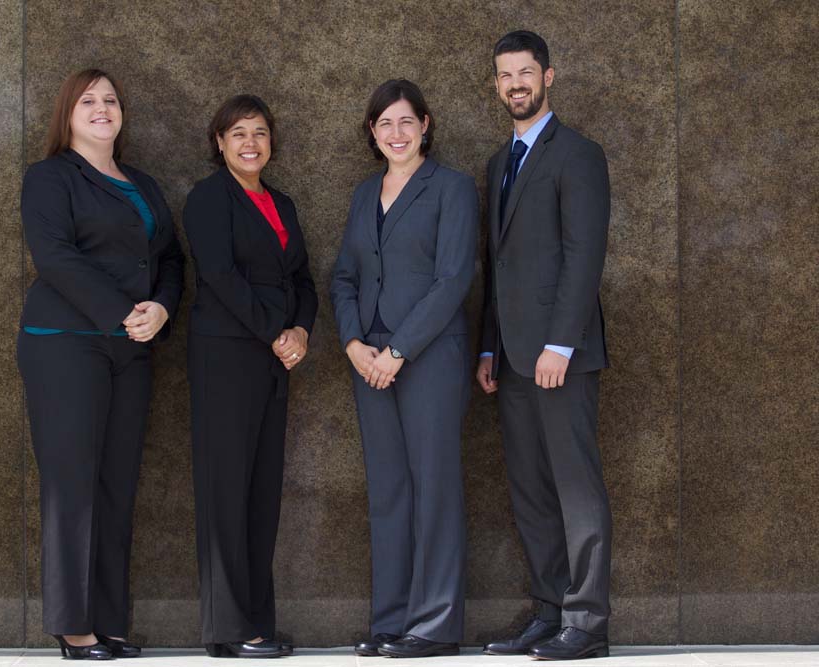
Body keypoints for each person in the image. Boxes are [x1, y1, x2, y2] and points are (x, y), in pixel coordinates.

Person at [17, 69, 184, 660]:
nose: (102, 108)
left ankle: (109, 621)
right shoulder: (49, 177)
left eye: (111, 99)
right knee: (73, 486)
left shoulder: (143, 182)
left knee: (116, 485)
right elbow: (55, 257)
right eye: (88, 100)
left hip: (131, 347)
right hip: (65, 342)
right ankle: (73, 626)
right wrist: (123, 312)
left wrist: (161, 309)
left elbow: (169, 258)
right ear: (67, 113)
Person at [330, 79, 478, 659]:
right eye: (385, 124)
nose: (396, 133)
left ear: (426, 125)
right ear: (372, 132)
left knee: (434, 488)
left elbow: (453, 280)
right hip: (368, 361)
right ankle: (390, 621)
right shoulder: (364, 194)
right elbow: (344, 275)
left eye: (406, 122)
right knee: (388, 491)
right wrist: (353, 344)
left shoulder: (453, 189)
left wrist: (397, 352)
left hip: (429, 357)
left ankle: (435, 625)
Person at [477, 30, 612, 661]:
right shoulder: (498, 163)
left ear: (549, 76)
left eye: (525, 72)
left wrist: (561, 343)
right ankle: (550, 610)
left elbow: (585, 256)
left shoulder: (578, 153)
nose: (515, 85)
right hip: (510, 358)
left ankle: (586, 623)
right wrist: (487, 349)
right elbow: (495, 265)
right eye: (505, 76)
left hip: (562, 356)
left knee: (574, 486)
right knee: (530, 490)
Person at [183, 94, 317, 659]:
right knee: (226, 491)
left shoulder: (282, 203)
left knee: (261, 492)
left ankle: (259, 622)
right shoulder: (209, 198)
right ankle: (228, 630)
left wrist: (302, 331)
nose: (250, 143)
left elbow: (304, 279)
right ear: (219, 142)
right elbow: (218, 275)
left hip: (272, 358)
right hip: (227, 355)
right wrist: (274, 331)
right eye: (238, 133)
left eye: (259, 133)